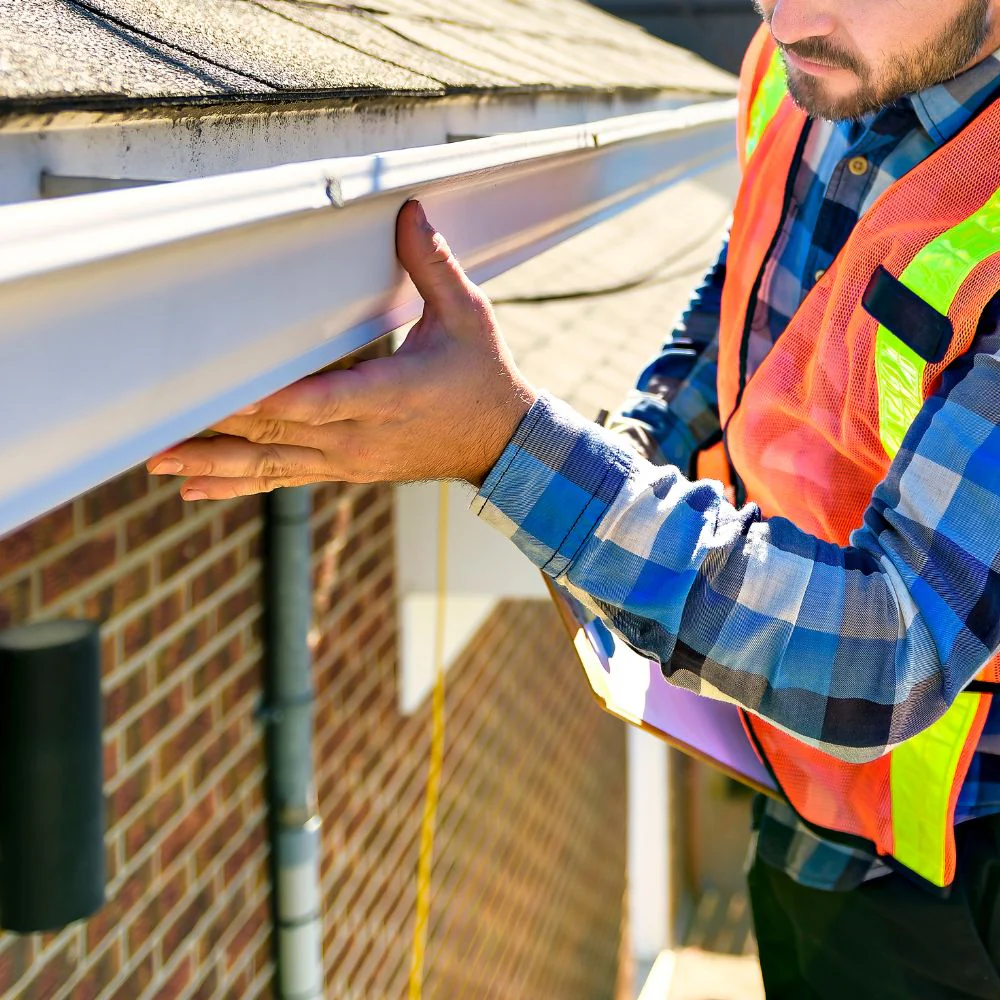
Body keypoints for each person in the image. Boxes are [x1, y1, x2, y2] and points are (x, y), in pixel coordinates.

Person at [148, 1, 1000, 995]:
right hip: (806, 818)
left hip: (957, 876)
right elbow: (754, 278)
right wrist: (638, 442)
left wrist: (513, 448)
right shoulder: (802, 63)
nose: (790, 17)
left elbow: (893, 646)